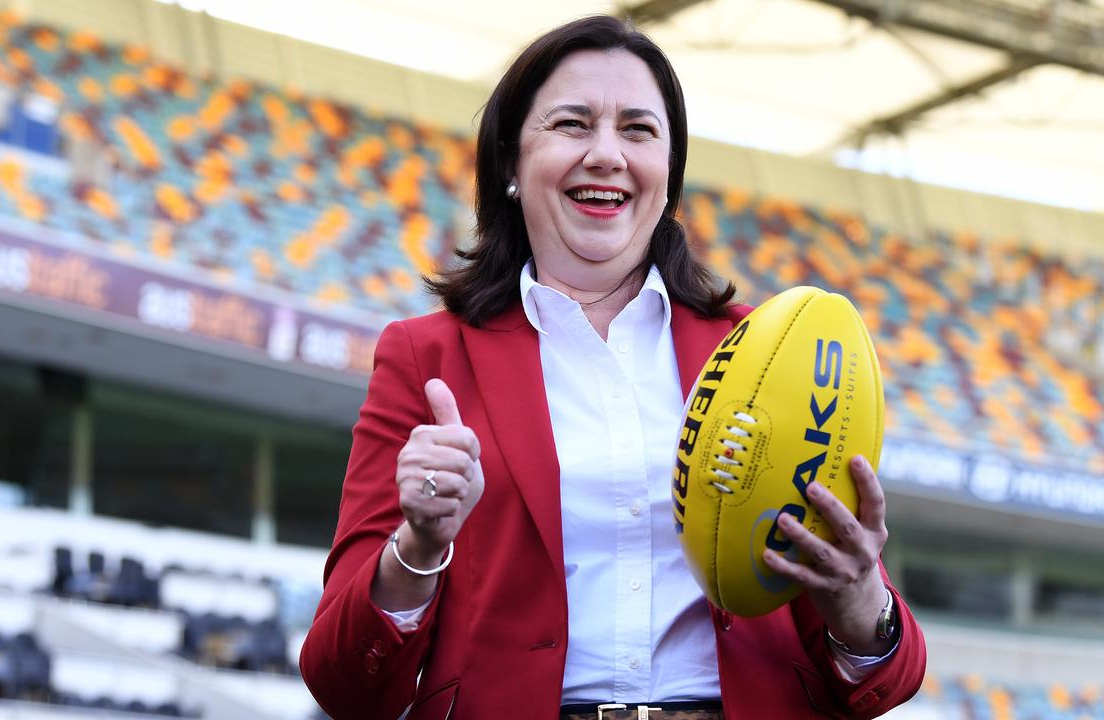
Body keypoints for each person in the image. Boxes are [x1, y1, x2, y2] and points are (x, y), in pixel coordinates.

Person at [300, 15, 926, 720]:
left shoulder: (763, 352)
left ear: (669, 171)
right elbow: (342, 680)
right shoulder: (425, 356)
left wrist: (856, 596)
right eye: (572, 124)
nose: (607, 154)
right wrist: (418, 544)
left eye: (638, 129)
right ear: (509, 161)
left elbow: (884, 679)